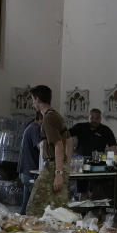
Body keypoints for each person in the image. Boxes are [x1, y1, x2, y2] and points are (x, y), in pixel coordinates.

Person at [25, 85, 71, 216]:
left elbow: (59, 145)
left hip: (53, 167)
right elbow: (69, 140)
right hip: (57, 165)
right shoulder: (55, 115)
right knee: (59, 209)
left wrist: (58, 173)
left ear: (38, 99)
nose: (33, 103)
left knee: (34, 208)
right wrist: (66, 164)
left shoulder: (49, 118)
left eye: (33, 99)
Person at [17, 112, 43, 214]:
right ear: (40, 118)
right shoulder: (34, 128)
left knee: (26, 203)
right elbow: (40, 147)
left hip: (26, 169)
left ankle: (21, 223)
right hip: (29, 170)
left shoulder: (31, 126)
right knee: (34, 203)